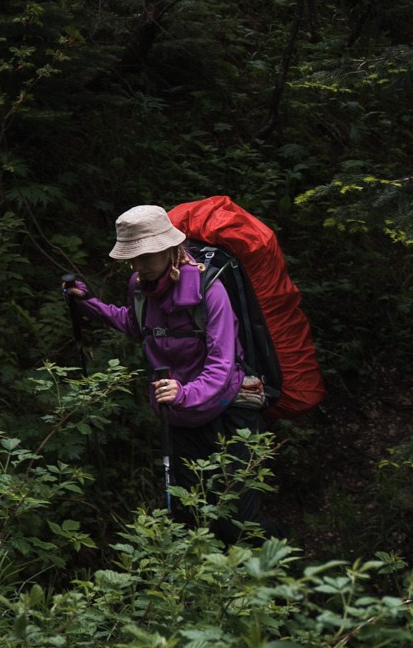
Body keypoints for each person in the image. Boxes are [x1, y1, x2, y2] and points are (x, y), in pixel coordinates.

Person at [62, 204, 265, 536]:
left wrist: (184, 392)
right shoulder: (140, 285)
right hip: (178, 414)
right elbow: (137, 324)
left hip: (226, 410)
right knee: (189, 514)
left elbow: (222, 364)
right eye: (133, 257)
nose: (137, 264)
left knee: (235, 520)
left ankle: (272, 561)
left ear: (170, 249)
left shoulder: (210, 291)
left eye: (145, 256)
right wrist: (87, 303)